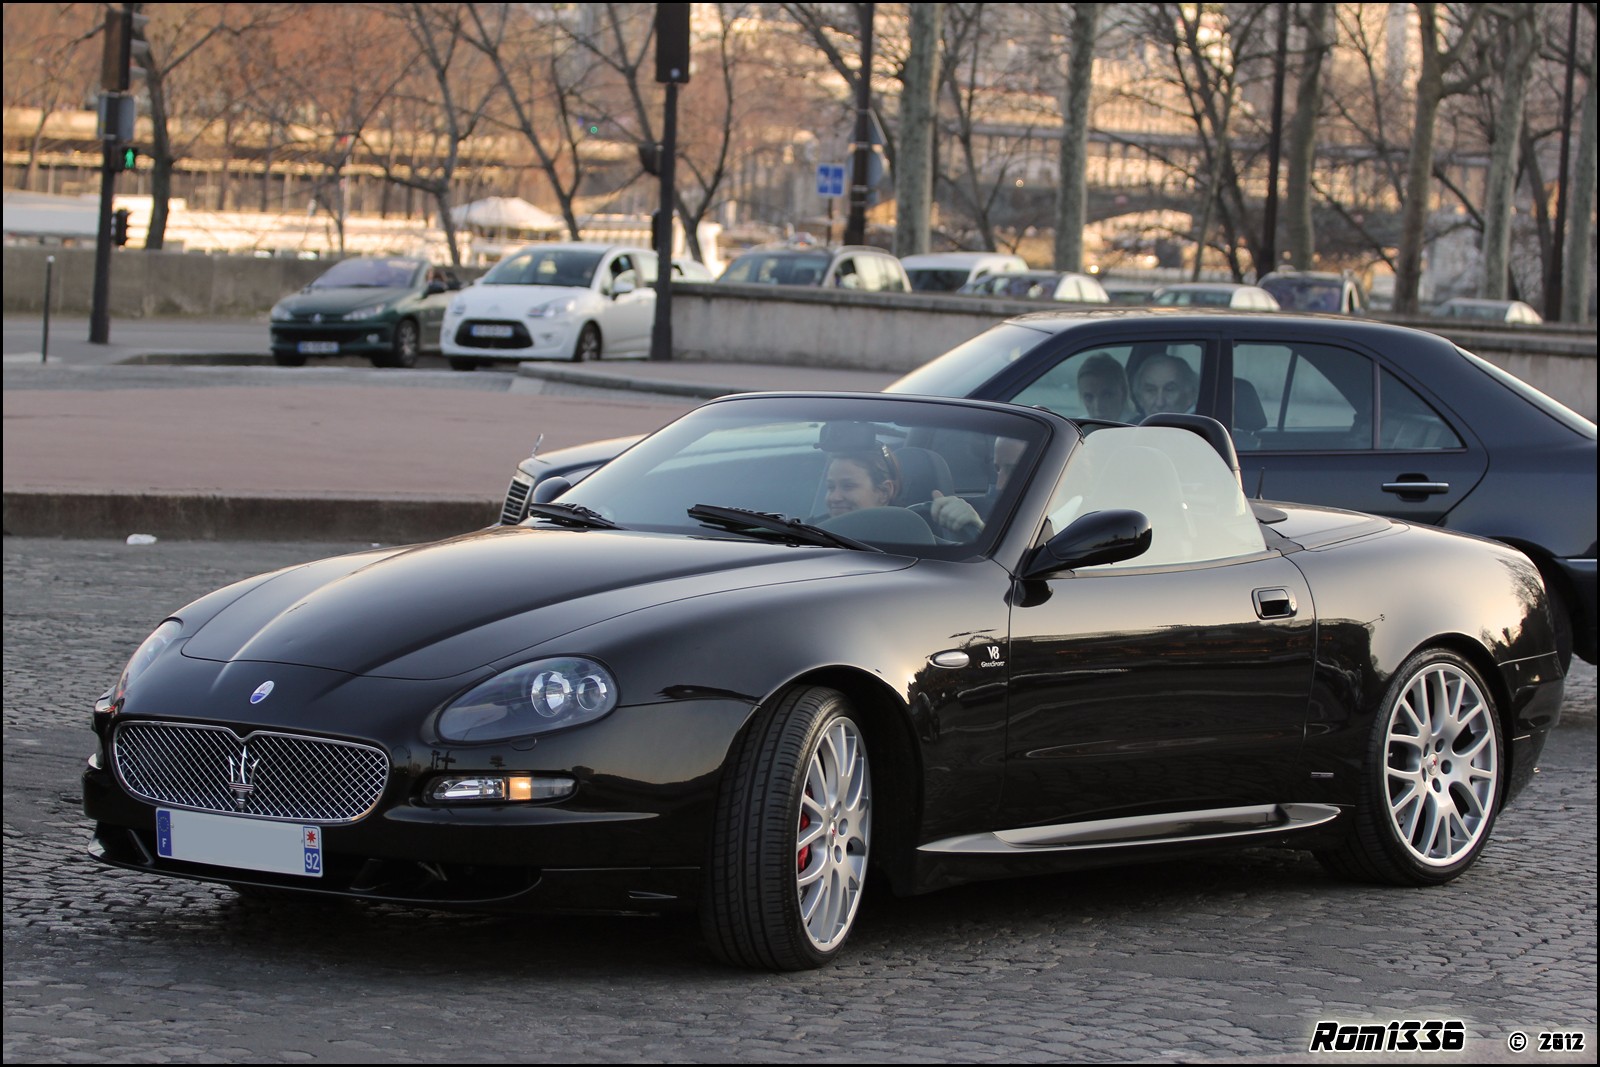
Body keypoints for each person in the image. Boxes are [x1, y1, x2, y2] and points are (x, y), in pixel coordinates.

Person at [927, 436, 1025, 540]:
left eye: (1014, 471)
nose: (999, 485)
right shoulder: (1001, 515)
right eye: (997, 469)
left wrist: (979, 530)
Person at [1133, 353, 1199, 416]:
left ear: (1190, 395)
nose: (1160, 403)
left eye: (1169, 390)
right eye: (1151, 390)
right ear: (1139, 398)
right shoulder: (1132, 425)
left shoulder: (1202, 425)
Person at [1077, 352, 1132, 421]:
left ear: (1123, 392)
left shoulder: (1139, 426)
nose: (1098, 407)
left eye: (1107, 395)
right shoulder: (1079, 426)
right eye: (1088, 397)